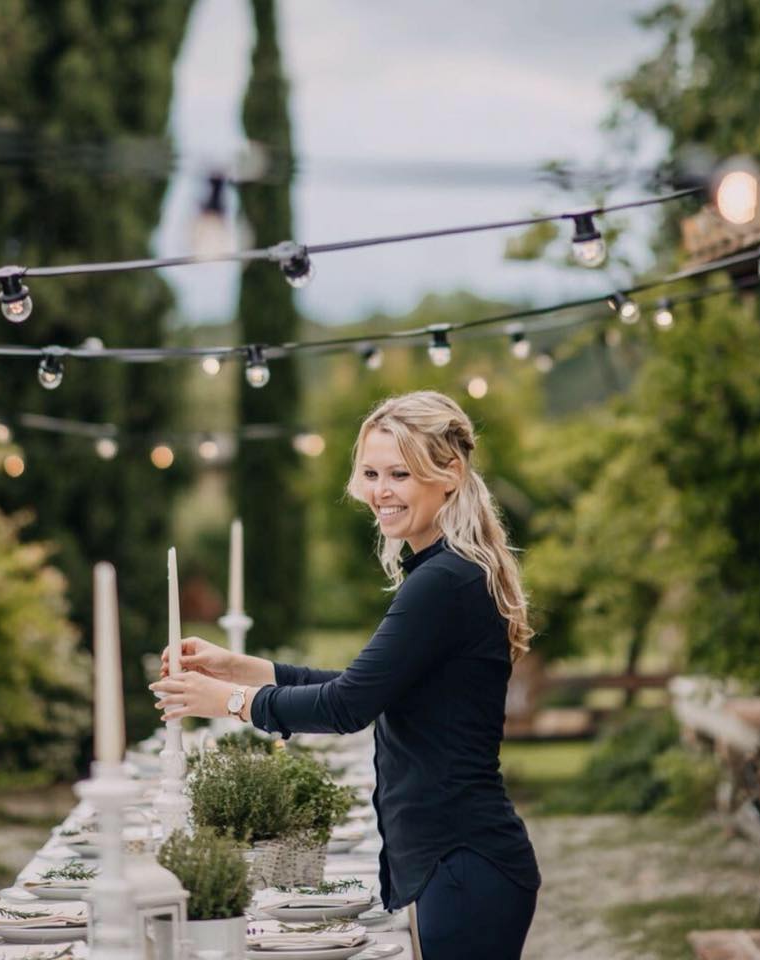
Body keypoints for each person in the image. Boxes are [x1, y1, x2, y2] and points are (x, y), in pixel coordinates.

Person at [150, 390, 540, 960]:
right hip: (458, 860)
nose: (381, 492)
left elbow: (347, 706)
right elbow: (369, 686)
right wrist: (241, 666)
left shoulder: (443, 581)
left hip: (464, 862)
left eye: (400, 473)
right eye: (371, 473)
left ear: (449, 473)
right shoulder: (442, 572)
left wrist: (229, 700)